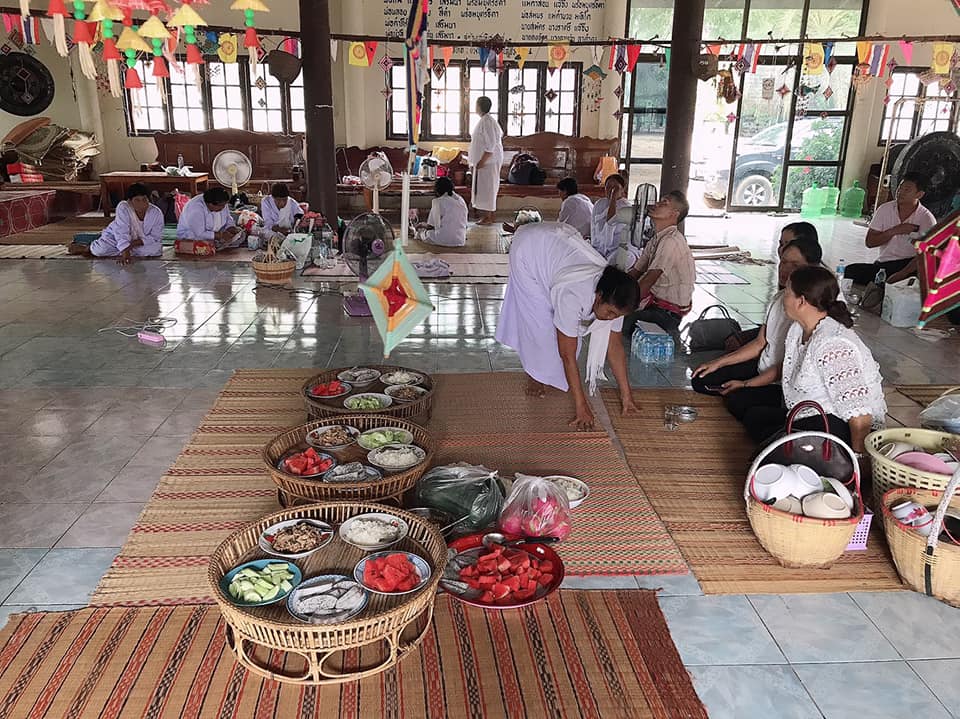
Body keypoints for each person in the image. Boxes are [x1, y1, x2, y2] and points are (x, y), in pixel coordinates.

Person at [495, 221, 639, 431]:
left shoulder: (616, 295)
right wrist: (581, 406)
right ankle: (534, 375)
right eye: (610, 313)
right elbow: (567, 354)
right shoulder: (573, 294)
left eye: (616, 316)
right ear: (598, 296)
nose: (611, 318)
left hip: (555, 245)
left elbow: (615, 346)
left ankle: (545, 372)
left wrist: (627, 396)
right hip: (528, 250)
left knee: (566, 335)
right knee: (540, 326)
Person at [725, 266, 886, 453]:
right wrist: (746, 384)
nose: (783, 298)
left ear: (801, 301)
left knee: (769, 448)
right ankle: (787, 441)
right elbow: (786, 367)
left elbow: (860, 415)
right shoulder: (798, 329)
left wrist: (859, 458)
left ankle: (819, 451)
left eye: (787, 292)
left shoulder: (833, 344)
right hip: (807, 411)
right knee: (752, 414)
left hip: (836, 423)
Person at [691, 232, 824, 420]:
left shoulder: (812, 314)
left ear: (813, 269)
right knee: (701, 379)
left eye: (795, 265)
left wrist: (747, 384)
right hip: (764, 367)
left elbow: (787, 367)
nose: (785, 269)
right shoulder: (780, 298)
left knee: (742, 404)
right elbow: (760, 343)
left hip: (785, 381)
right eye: (783, 262)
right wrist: (718, 362)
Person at [844, 172, 936, 285]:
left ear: (919, 194)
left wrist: (902, 274)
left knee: (915, 280)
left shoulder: (927, 218)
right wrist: (895, 231)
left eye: (907, 190)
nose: (900, 192)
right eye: (900, 187)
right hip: (885, 264)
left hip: (910, 266)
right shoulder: (885, 209)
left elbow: (927, 255)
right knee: (850, 271)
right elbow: (870, 242)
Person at [624, 191, 695, 337]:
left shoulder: (671, 241)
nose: (657, 204)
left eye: (664, 203)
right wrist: (615, 290)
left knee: (621, 323)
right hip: (654, 304)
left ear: (674, 214)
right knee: (615, 315)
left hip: (668, 313)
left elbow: (648, 280)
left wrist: (622, 305)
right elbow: (635, 272)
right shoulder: (656, 239)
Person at [71, 183, 163, 265]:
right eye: (137, 200)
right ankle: (87, 248)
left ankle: (121, 250)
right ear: (130, 201)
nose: (142, 203)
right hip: (116, 238)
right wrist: (125, 250)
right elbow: (121, 231)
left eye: (144, 199)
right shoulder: (123, 207)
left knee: (156, 250)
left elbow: (155, 237)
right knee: (101, 250)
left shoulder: (156, 213)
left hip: (138, 243)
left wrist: (130, 246)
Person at [469, 96, 504, 225]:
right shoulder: (485, 120)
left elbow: (491, 145)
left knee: (488, 189)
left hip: (488, 162)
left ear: (479, 106)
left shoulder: (487, 122)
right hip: (486, 162)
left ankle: (488, 217)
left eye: (476, 104)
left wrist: (482, 161)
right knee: (486, 189)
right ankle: (488, 216)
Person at [177, 187, 243, 250]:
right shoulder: (196, 208)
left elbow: (228, 218)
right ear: (210, 204)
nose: (223, 208)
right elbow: (199, 234)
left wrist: (231, 227)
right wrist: (219, 235)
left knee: (240, 235)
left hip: (216, 235)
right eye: (221, 206)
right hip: (191, 238)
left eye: (225, 205)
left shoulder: (221, 202)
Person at [590, 174, 634, 264]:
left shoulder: (627, 207)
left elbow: (611, 222)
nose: (612, 190)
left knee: (619, 259)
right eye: (608, 187)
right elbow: (594, 228)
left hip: (616, 248)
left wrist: (613, 199)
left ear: (622, 189)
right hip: (598, 247)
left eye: (615, 187)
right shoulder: (599, 203)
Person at [417, 176, 469, 247]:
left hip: (443, 239)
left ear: (437, 190)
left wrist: (422, 225)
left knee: (422, 233)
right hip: (460, 239)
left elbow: (431, 226)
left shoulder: (438, 202)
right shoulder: (461, 200)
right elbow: (465, 225)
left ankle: (414, 232)